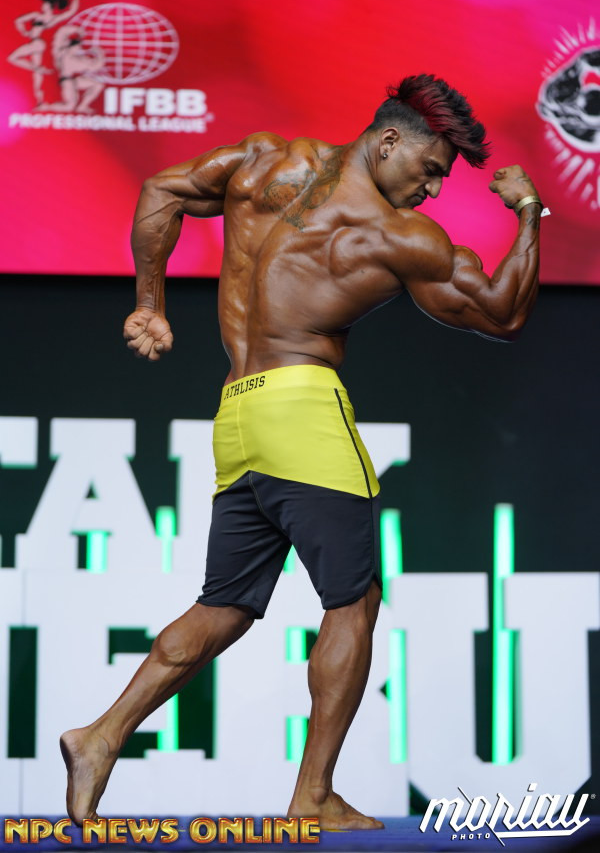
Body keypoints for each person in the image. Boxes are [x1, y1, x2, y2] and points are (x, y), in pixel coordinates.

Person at [60, 74, 543, 830]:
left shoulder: (263, 163)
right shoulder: (394, 235)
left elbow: (162, 190)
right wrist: (528, 211)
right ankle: (313, 795)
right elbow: (503, 313)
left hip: (238, 412)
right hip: (304, 407)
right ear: (389, 141)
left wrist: (149, 304)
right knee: (353, 602)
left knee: (225, 605)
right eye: (429, 171)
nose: (432, 192)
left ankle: (100, 736)